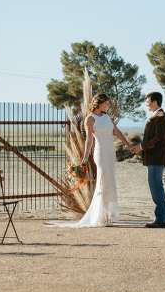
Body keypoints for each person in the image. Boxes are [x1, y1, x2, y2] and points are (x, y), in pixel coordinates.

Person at [50, 93, 130, 228]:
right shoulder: (90, 119)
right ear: (99, 103)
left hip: (110, 153)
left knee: (110, 181)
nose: (108, 105)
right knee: (102, 181)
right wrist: (85, 157)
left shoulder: (106, 117)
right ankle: (99, 216)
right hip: (100, 153)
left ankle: (107, 215)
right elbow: (89, 140)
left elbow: (116, 131)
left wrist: (128, 144)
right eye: (106, 103)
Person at [131, 92, 165, 228]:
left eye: (148, 101)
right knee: (155, 187)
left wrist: (141, 147)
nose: (146, 103)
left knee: (156, 188)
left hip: (157, 158)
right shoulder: (157, 115)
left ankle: (161, 220)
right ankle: (160, 218)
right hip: (154, 158)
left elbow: (157, 139)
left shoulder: (160, 117)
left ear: (155, 101)